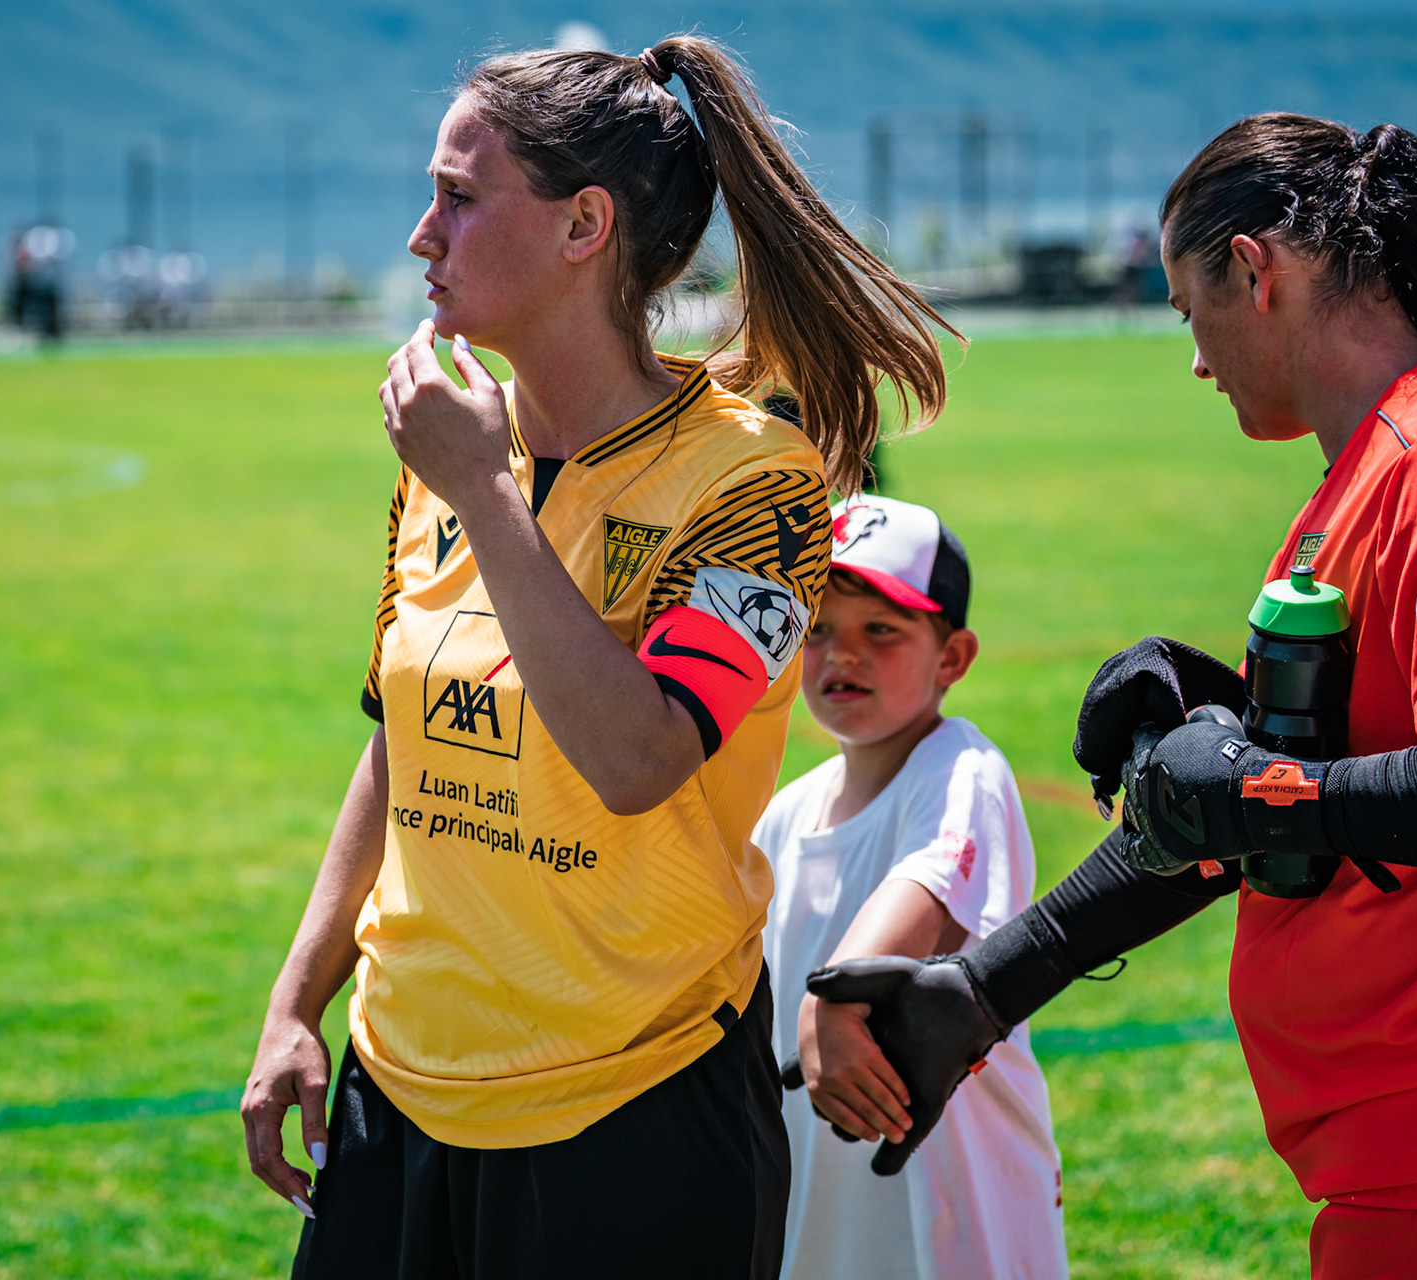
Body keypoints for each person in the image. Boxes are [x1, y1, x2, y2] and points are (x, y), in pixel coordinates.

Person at [805, 113, 1417, 1278]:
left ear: (1254, 271)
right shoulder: (1364, 480)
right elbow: (1282, 802)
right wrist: (986, 986)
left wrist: (1270, 783)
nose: (1199, 357)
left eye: (1188, 310)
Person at [240, 36, 957, 1280]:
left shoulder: (755, 481)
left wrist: (483, 493)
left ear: (584, 225)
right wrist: (296, 1002)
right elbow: (399, 743)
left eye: (460, 197)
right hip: (395, 1088)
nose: (422, 234)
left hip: (634, 1110)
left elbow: (640, 756)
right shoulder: (455, 449)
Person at [759, 494, 1068, 1280]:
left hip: (952, 1204)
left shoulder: (960, 770)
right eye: (817, 628)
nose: (841, 655)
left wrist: (829, 1001)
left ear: (952, 658)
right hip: (818, 1198)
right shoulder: (786, 813)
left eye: (881, 631)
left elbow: (923, 896)